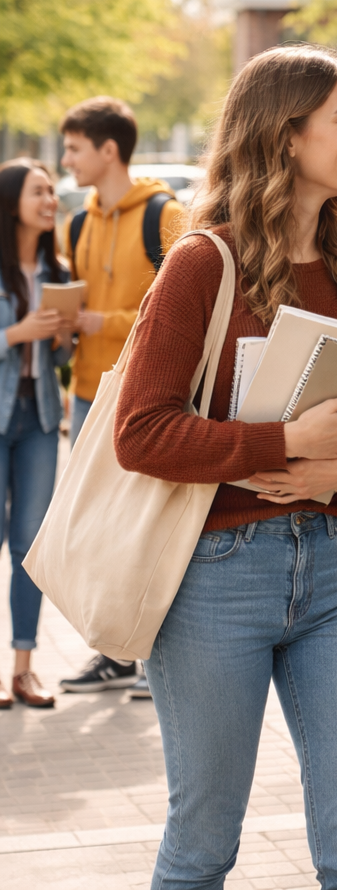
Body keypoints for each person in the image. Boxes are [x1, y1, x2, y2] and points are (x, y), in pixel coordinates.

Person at [111, 44, 337, 888]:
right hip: (217, 578)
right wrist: (284, 445)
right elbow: (140, 433)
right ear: (286, 136)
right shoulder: (202, 263)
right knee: (205, 841)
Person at [56, 96, 187, 699]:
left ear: (109, 150)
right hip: (86, 395)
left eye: (75, 148)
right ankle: (112, 656)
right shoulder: (78, 221)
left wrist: (99, 322)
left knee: (144, 532)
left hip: (145, 403)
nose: (67, 159)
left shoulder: (163, 216)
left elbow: (183, 313)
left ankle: (155, 658)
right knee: (96, 534)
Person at [0, 160, 74, 710]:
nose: (51, 200)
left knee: (29, 547)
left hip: (40, 420)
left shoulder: (58, 269)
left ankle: (24, 669)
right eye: (39, 192)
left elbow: (61, 359)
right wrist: (16, 333)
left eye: (52, 191)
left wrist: (60, 337)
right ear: (11, 203)